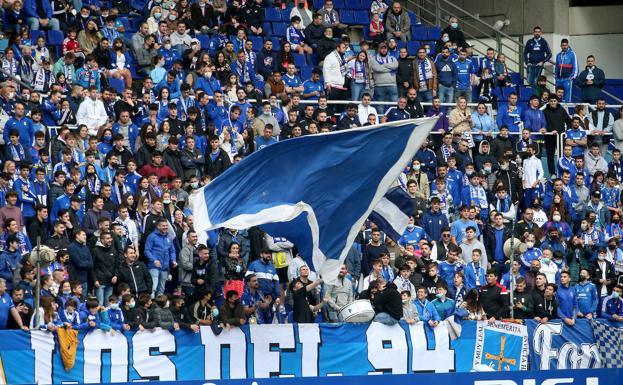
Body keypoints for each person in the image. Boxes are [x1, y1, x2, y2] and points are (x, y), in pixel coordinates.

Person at [145, 219, 177, 297]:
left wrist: (173, 260)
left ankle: (159, 306)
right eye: (163, 225)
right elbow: (147, 251)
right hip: (154, 266)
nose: (165, 227)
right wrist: (154, 260)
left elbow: (172, 251)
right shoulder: (151, 236)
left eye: (166, 226)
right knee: (153, 288)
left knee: (161, 289)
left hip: (165, 267)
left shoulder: (169, 237)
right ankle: (150, 306)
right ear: (158, 226)